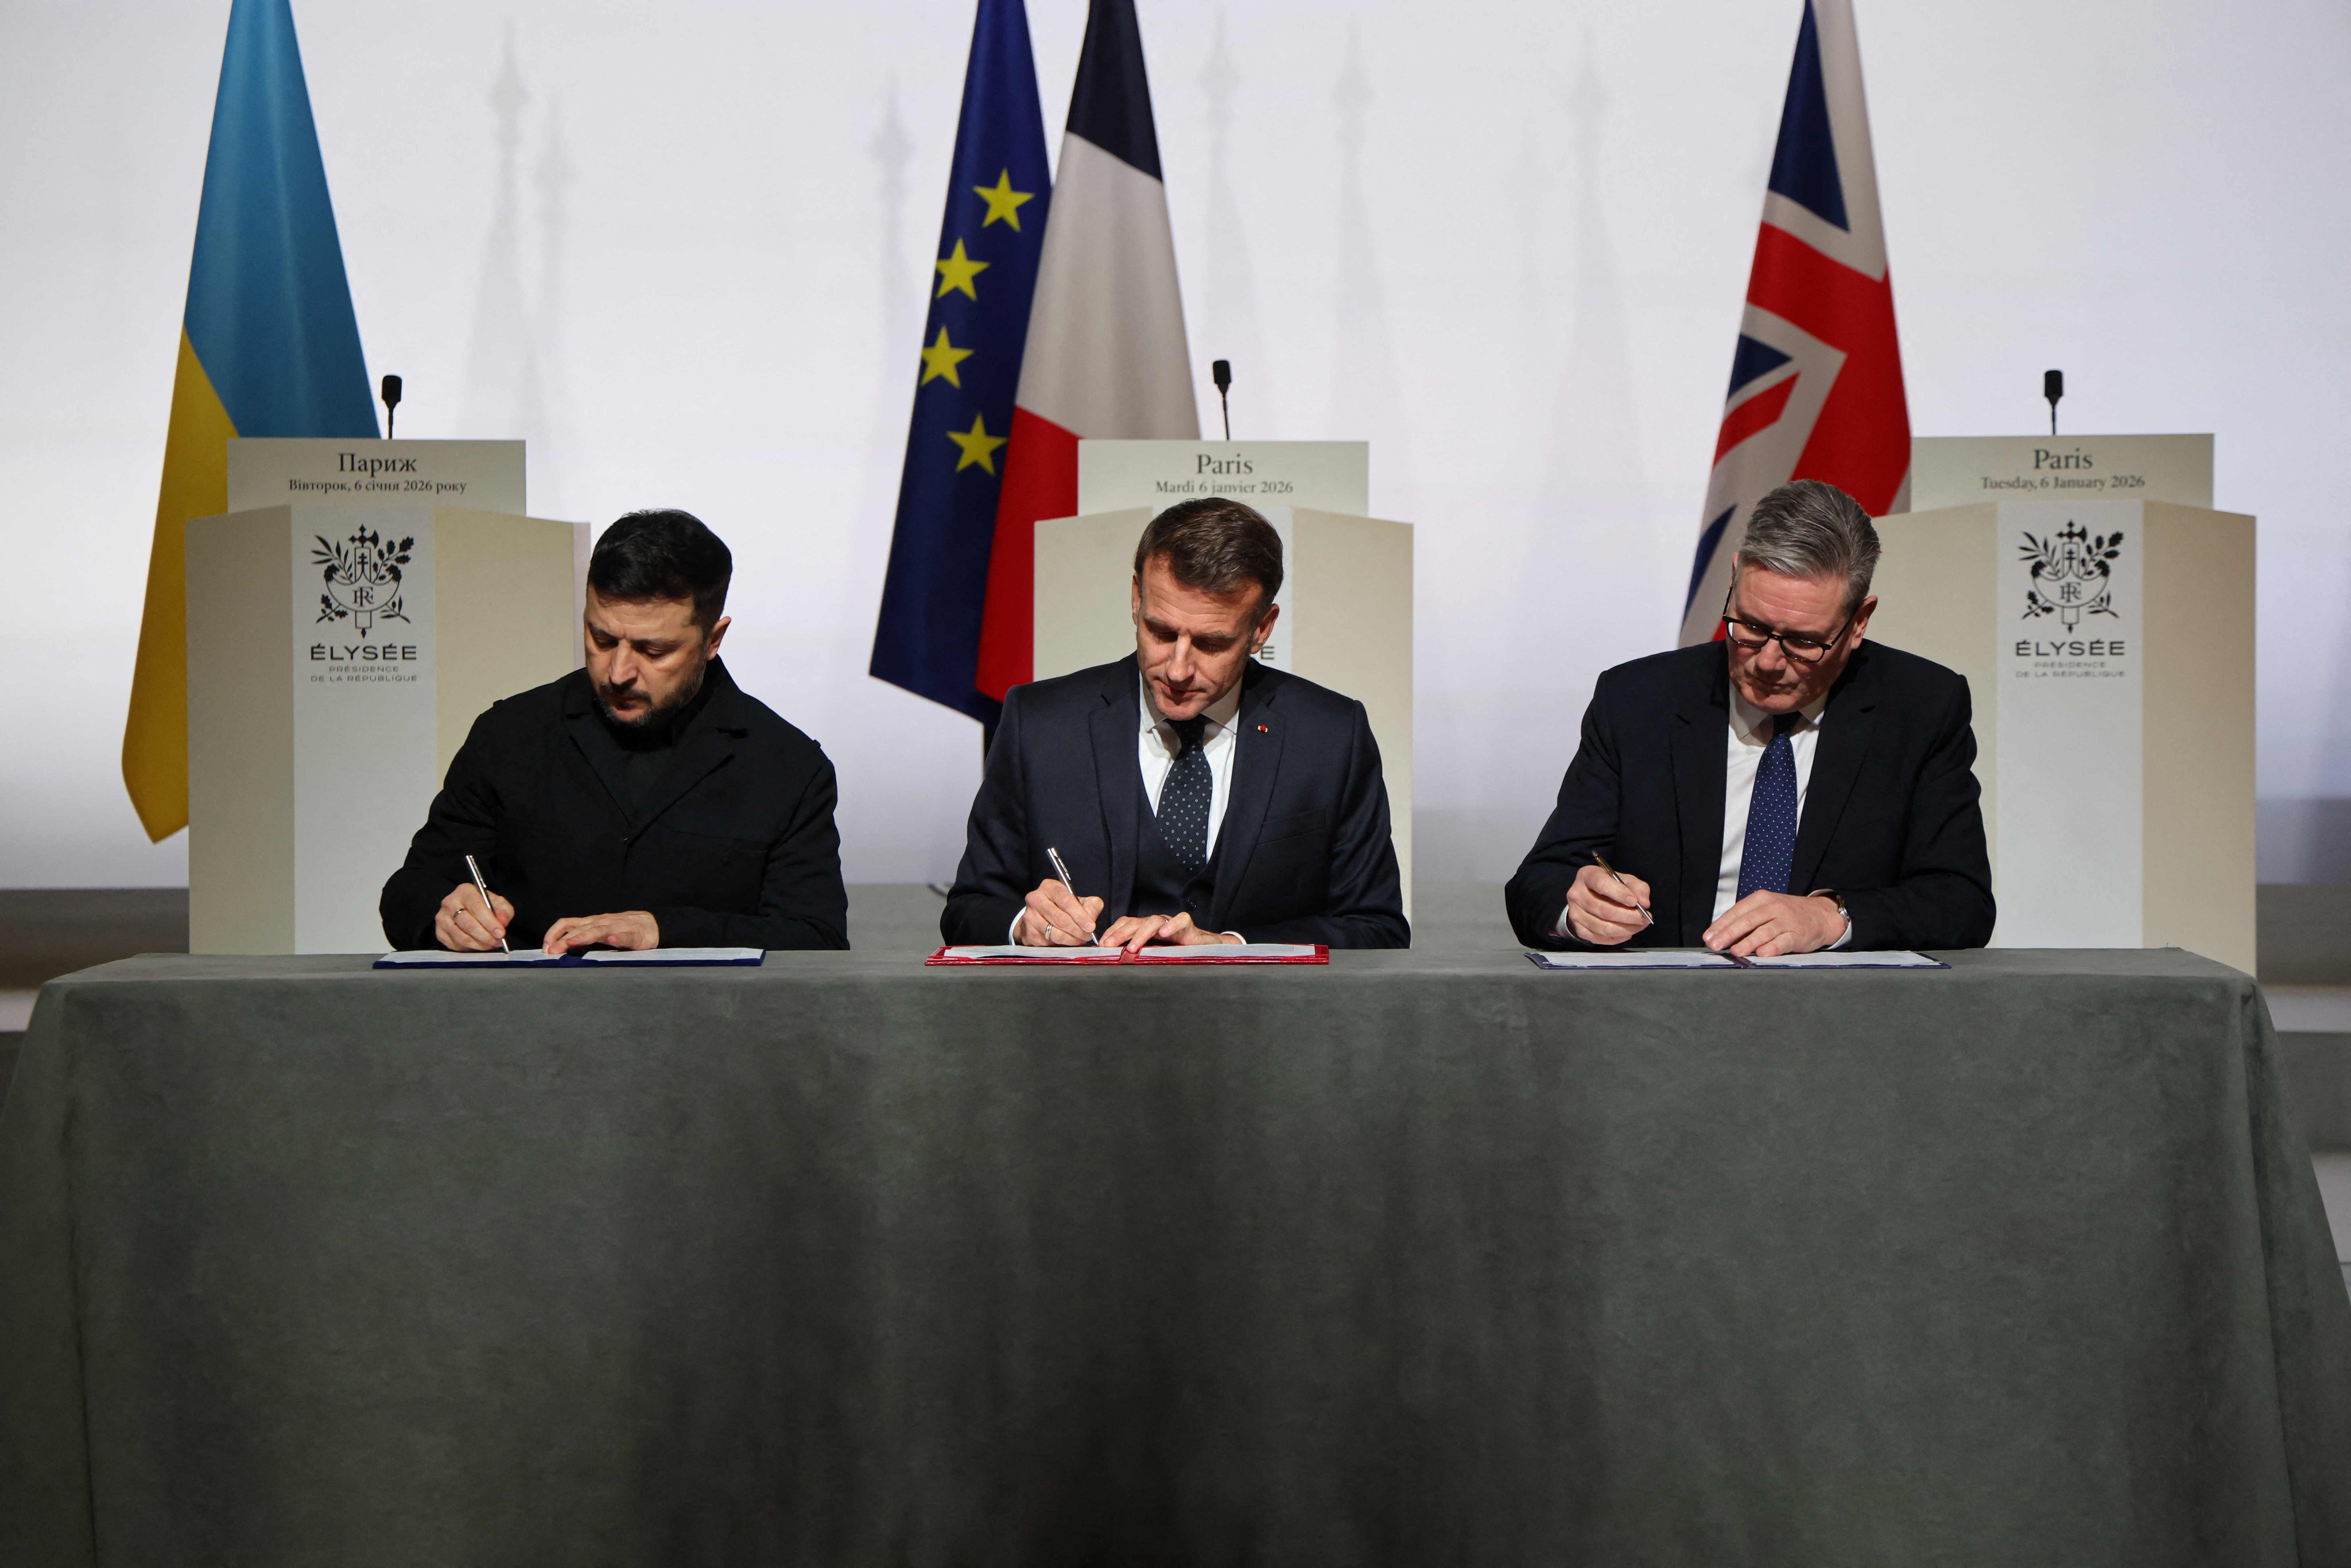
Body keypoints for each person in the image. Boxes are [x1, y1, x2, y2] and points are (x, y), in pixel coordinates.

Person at [1506, 479, 1993, 956]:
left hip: (1843, 1016)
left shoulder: (1922, 706)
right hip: (1660, 1013)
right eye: (1751, 626)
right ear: (1735, 577)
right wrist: (1580, 911)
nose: (1767, 662)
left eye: (1804, 642)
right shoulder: (1637, 701)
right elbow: (1539, 882)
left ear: (1859, 622)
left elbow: (1961, 901)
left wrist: (1830, 917)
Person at [943, 496, 1409, 950]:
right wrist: (1027, 923)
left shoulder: (1331, 736)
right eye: (1161, 633)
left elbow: (1378, 929)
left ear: (1262, 629)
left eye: (1211, 643)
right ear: (1135, 598)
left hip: (1264, 1024)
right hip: (1078, 1022)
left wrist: (1230, 946)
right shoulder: (1040, 724)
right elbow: (969, 909)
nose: (1179, 669)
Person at [380, 509, 848, 953]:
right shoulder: (509, 735)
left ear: (713, 640)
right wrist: (445, 914)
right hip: (521, 1027)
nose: (619, 672)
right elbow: (411, 892)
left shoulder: (788, 767)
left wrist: (662, 930)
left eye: (653, 650)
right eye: (601, 640)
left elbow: (816, 939)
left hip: (708, 1031)